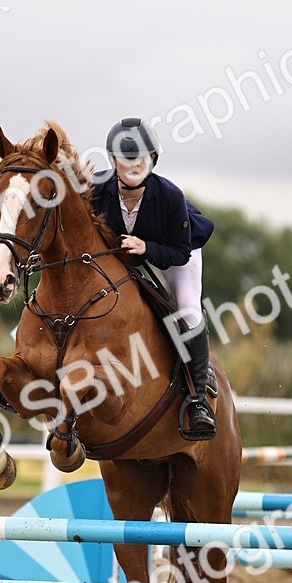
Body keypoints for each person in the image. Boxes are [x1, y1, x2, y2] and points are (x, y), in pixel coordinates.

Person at [91, 117, 217, 439]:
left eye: (140, 159)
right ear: (113, 162)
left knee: (187, 310)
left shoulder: (170, 196)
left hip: (175, 251)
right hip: (124, 254)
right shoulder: (96, 190)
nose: (133, 165)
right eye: (125, 159)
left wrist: (146, 248)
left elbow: (179, 252)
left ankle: (198, 399)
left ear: (153, 160)